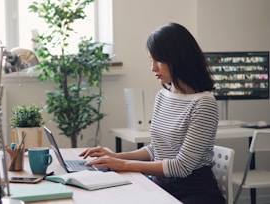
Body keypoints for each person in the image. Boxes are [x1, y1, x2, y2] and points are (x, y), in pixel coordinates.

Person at [80, 22, 225, 204]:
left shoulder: (204, 103)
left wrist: (123, 165)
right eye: (151, 60)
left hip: (193, 193)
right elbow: (157, 149)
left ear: (179, 58)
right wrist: (114, 157)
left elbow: (182, 166)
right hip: (161, 185)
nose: (153, 68)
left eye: (158, 60)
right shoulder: (163, 95)